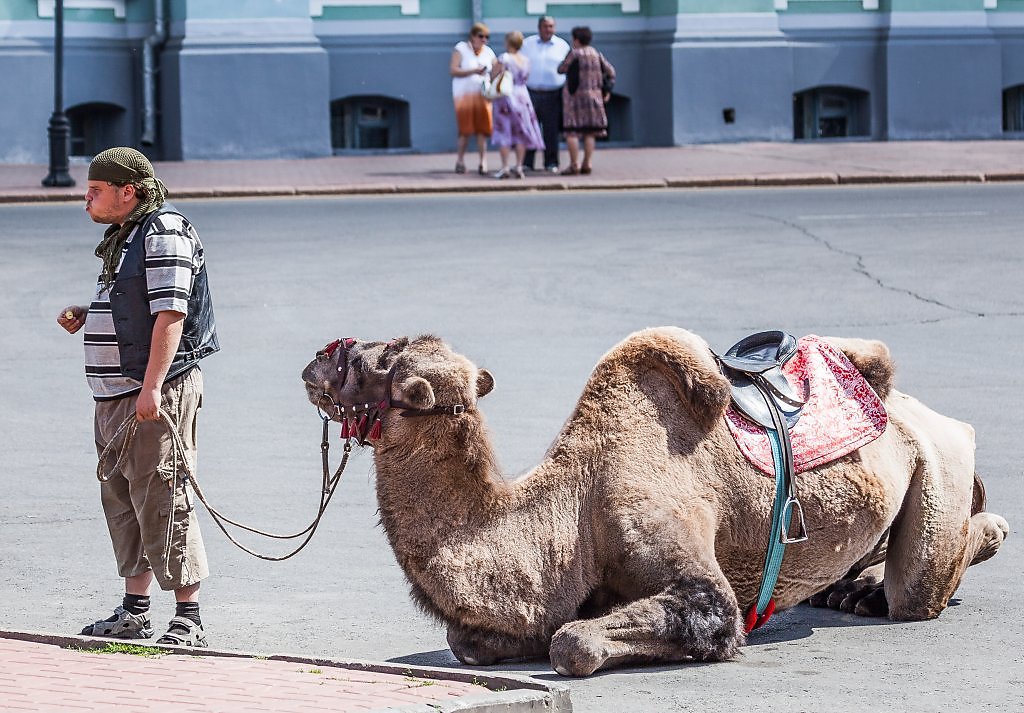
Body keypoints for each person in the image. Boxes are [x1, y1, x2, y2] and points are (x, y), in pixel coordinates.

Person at [57, 147, 219, 648]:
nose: (86, 198)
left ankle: (188, 617)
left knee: (164, 498)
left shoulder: (163, 231)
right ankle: (135, 611)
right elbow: (138, 303)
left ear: (129, 191)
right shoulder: (125, 236)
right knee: (125, 500)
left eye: (96, 190)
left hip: (152, 393)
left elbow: (170, 314)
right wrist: (92, 313)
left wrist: (152, 388)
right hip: (114, 394)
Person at [557, 26, 616, 175]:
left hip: (574, 97)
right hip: (594, 96)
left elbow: (561, 69)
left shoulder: (575, 54)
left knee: (572, 131)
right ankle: (587, 162)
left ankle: (574, 164)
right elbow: (611, 71)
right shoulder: (596, 54)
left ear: (576, 39)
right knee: (590, 132)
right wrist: (606, 90)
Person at [489, 31, 546, 179]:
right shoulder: (525, 60)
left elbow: (493, 76)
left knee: (504, 131)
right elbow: (526, 77)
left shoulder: (504, 58)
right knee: (520, 132)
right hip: (522, 96)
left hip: (506, 96)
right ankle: (519, 166)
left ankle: (505, 167)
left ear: (508, 42)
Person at [520, 15, 570, 173]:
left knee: (551, 129)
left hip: (553, 94)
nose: (548, 29)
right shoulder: (527, 44)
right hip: (531, 92)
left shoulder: (562, 45)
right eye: (545, 26)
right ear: (539, 27)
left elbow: (568, 68)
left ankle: (551, 162)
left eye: (551, 26)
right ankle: (527, 163)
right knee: (530, 128)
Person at [450, 22, 496, 175]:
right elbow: (453, 70)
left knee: (482, 130)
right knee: (465, 129)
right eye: (480, 36)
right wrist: (473, 71)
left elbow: (496, 70)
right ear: (472, 36)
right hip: (464, 96)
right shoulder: (461, 49)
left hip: (483, 96)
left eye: (486, 37)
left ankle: (483, 162)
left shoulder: (488, 52)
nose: (484, 40)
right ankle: (460, 161)